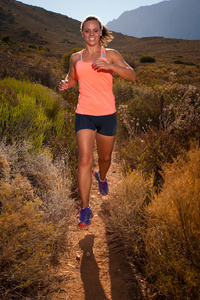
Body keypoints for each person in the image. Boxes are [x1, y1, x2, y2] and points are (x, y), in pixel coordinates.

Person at [59, 15, 136, 227]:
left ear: (101, 32)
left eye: (95, 30)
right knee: (84, 159)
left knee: (105, 158)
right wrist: (67, 84)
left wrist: (110, 67)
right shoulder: (75, 58)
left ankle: (101, 177)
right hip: (84, 112)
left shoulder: (110, 54)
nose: (91, 34)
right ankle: (85, 209)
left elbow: (131, 75)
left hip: (107, 114)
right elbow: (73, 78)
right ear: (82, 33)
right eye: (87, 30)